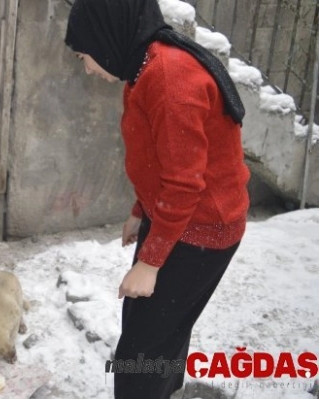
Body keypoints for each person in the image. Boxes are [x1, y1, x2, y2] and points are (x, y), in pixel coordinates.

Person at [65, 1, 250, 398]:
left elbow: (184, 184)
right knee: (154, 330)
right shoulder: (143, 67)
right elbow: (157, 160)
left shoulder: (169, 79)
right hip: (179, 218)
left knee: (141, 351)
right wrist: (140, 211)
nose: (87, 69)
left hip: (202, 230)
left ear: (105, 38)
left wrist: (150, 263)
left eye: (84, 57)